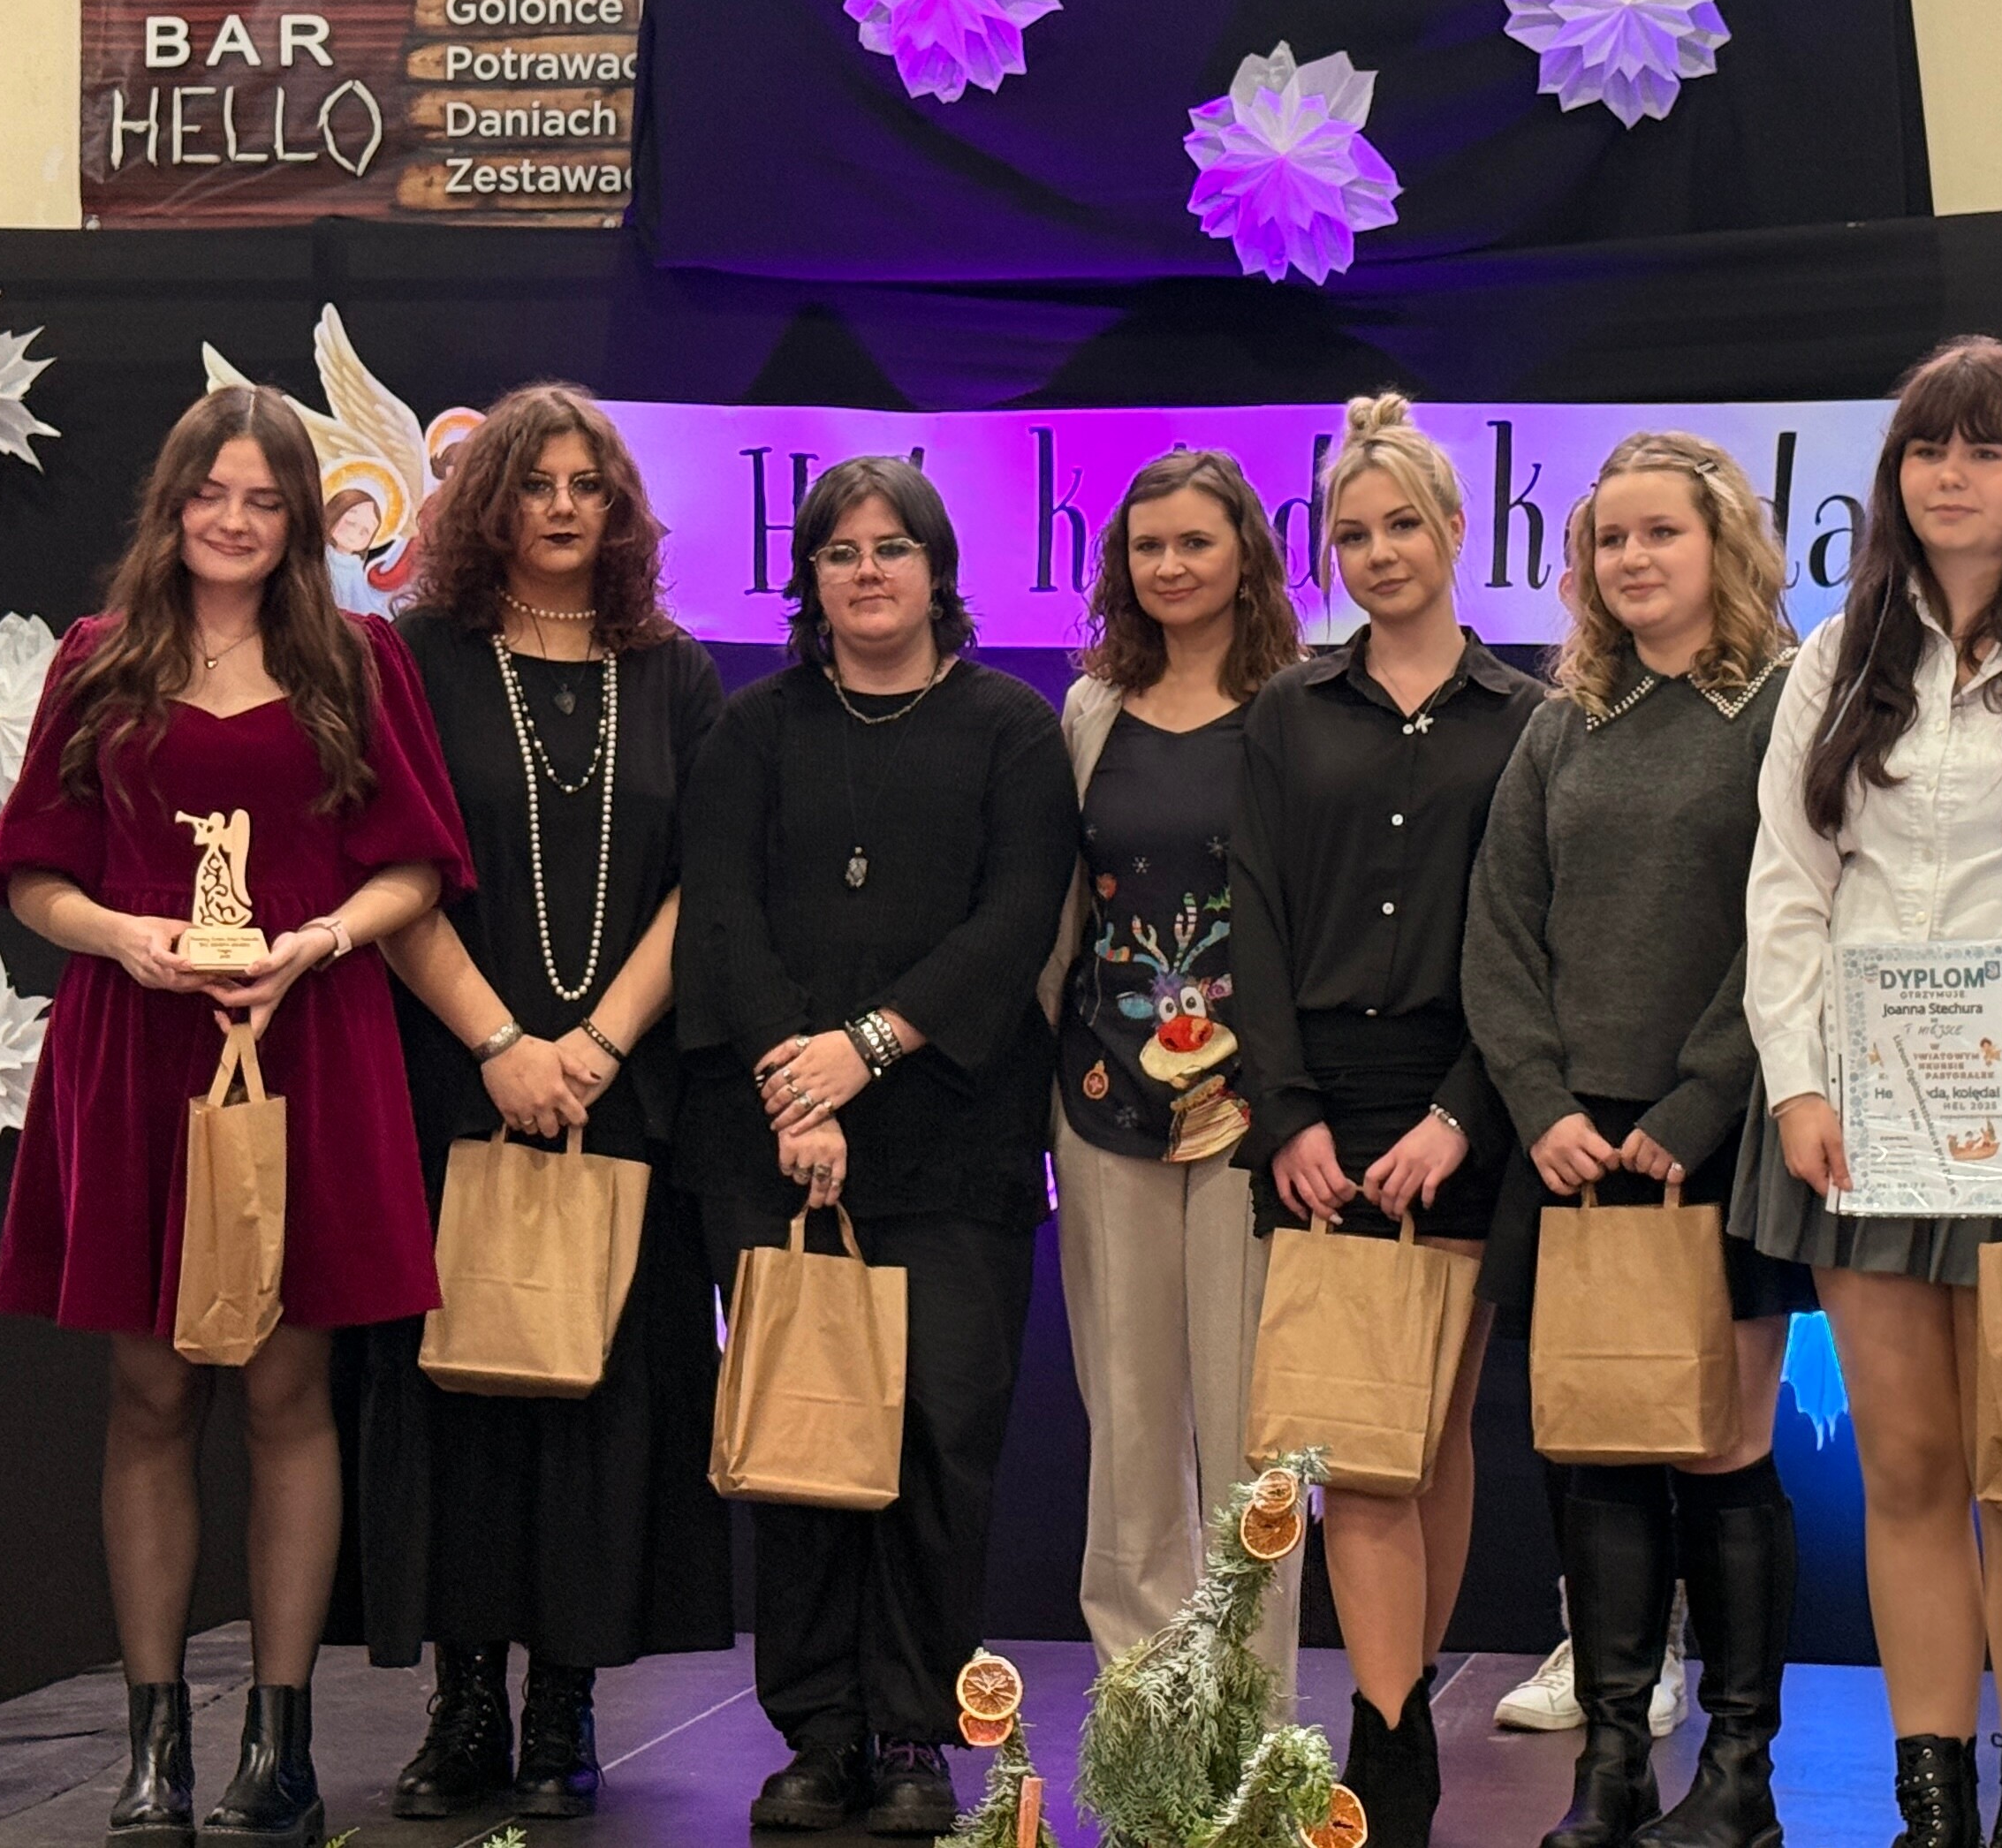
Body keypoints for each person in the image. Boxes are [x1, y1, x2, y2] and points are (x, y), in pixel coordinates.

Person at [0, 384, 473, 1848]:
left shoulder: (359, 660)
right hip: (138, 1050)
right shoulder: (99, 659)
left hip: (310, 1046)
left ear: (303, 518)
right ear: (174, 500)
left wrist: (319, 939)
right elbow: (31, 873)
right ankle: (154, 1752)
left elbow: (416, 870)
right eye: (214, 494)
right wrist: (122, 936)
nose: (238, 521)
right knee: (149, 1392)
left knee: (285, 1391)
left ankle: (281, 1745)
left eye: (266, 500)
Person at [1739, 337, 2002, 1848]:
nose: (1953, 475)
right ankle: (1931, 1807)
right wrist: (1797, 1086)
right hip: (1862, 1108)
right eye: (1929, 447)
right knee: (1910, 1471)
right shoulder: (1834, 655)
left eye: (1987, 448)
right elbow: (1787, 885)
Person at [676, 456, 1074, 1839]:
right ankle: (820, 1733)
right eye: (840, 551)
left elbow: (1014, 919)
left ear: (937, 568)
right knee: (801, 1441)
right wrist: (802, 1090)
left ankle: (913, 1732)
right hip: (773, 1142)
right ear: (811, 578)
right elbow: (721, 912)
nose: (867, 572)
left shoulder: (1012, 729)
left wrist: (869, 1048)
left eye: (892, 547)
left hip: (955, 1142)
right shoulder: (754, 730)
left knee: (937, 1441)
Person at [366, 384, 733, 1819]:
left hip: (619, 1095)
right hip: (457, 1085)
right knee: (462, 1398)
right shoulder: (418, 660)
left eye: (588, 484)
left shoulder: (675, 672)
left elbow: (710, 886)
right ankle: (464, 1705)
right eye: (536, 484)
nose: (564, 507)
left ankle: (565, 1708)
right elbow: (385, 870)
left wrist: (594, 1048)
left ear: (621, 507)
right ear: (490, 504)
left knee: (599, 1402)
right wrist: (503, 1045)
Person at [1463, 432, 1811, 1848]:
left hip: (1716, 1137)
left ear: (1725, 545)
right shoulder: (1566, 722)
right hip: (1572, 1147)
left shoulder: (1786, 707)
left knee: (1722, 1451)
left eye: (1661, 532)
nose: (1633, 559)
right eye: (1611, 538)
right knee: (1599, 1455)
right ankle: (1612, 1766)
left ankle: (1737, 1776)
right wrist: (1543, 1106)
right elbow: (1500, 931)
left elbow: (1792, 927)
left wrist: (1693, 1108)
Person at [1226, 394, 1539, 1848]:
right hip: (1321, 1105)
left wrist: (1464, 1114)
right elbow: (1253, 914)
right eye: (1352, 535)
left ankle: (1395, 1714)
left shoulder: (1530, 718)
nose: (1379, 552)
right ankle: (1388, 1729)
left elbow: (1531, 937)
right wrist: (1284, 1112)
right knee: (1350, 1445)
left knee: (1432, 1429)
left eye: (1404, 524)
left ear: (1457, 530)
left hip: (1464, 1097)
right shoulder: (1288, 712)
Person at [1048, 450, 1311, 1693]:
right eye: (1147, 546)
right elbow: (1063, 913)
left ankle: (1249, 1707)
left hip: (1256, 1114)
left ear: (1246, 553)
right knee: (1131, 1419)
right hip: (1105, 1102)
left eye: (1195, 542)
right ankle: (1145, 1704)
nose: (1169, 566)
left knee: (1256, 1426)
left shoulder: (1299, 708)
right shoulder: (1091, 708)